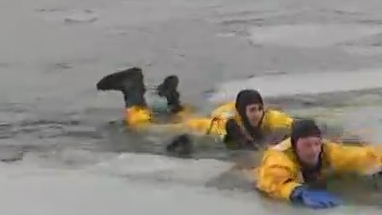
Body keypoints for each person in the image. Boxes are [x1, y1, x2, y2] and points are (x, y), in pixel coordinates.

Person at [95, 66, 294, 154]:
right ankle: (132, 88)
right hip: (201, 125)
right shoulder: (225, 125)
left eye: (259, 109)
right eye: (252, 110)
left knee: (184, 113)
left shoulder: (271, 118)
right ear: (242, 111)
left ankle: (171, 98)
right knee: (141, 127)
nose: (257, 114)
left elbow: (292, 125)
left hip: (213, 116)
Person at [256, 118, 382, 209]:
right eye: (307, 145)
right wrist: (297, 192)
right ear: (295, 146)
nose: (314, 150)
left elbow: (361, 156)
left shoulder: (328, 151)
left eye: (316, 144)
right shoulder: (279, 158)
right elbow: (270, 183)